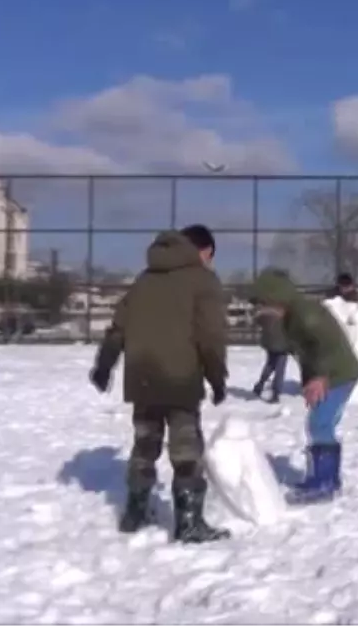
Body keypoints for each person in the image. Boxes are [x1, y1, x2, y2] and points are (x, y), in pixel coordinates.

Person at [89, 224, 230, 543]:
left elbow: (117, 329)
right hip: (180, 379)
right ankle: (189, 523)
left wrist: (104, 365)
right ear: (205, 251)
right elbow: (211, 336)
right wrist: (217, 377)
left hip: (143, 377)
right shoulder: (202, 280)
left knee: (144, 445)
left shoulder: (143, 280)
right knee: (186, 451)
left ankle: (134, 514)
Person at [252, 268, 358, 501]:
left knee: (320, 424)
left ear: (277, 297)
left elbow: (322, 344)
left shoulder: (305, 313)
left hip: (338, 373)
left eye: (264, 302)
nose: (261, 307)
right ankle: (326, 480)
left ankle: (323, 483)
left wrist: (319, 377)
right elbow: (297, 350)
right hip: (331, 372)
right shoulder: (292, 315)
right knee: (319, 423)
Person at [251, 303, 288, 404]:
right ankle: (275, 393)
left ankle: (260, 385)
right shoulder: (285, 309)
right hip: (282, 342)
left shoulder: (263, 310)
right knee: (280, 369)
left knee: (270, 364)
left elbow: (256, 321)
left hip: (269, 341)